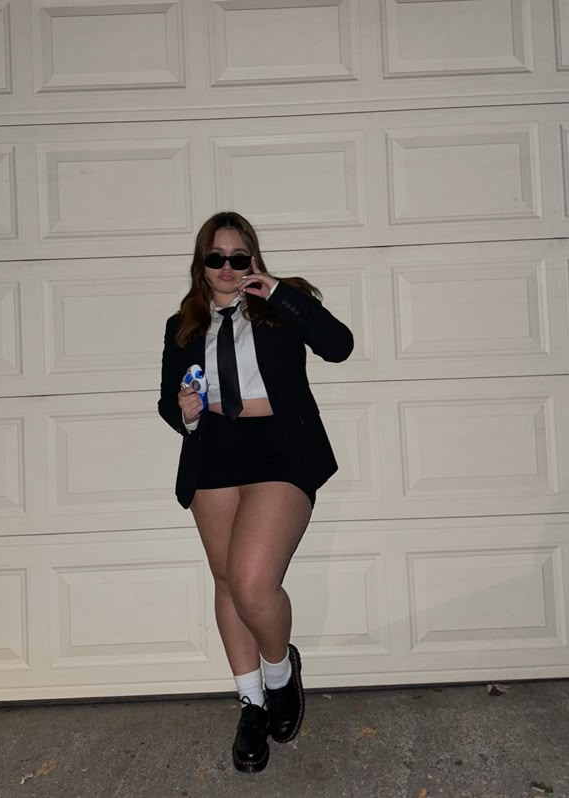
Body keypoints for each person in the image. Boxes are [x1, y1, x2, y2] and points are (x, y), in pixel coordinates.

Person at [158, 211, 354, 773]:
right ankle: (250, 704)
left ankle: (279, 671)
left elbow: (338, 346)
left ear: (253, 259)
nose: (226, 267)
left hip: (278, 450)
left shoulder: (281, 305)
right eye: (215, 257)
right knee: (225, 580)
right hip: (214, 450)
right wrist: (184, 413)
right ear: (201, 263)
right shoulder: (183, 324)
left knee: (251, 581)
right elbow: (167, 402)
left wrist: (278, 293)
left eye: (237, 257)